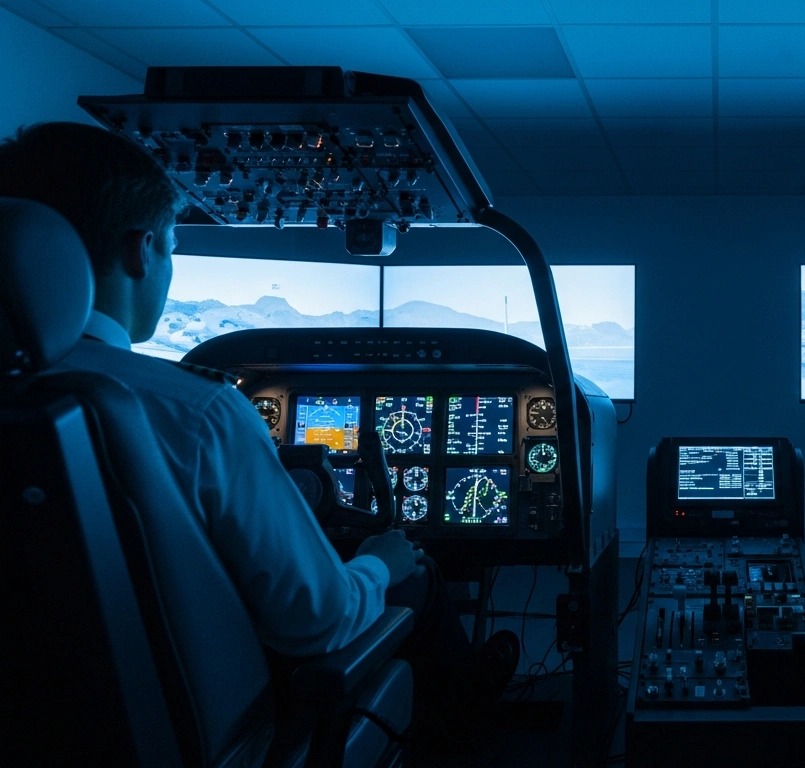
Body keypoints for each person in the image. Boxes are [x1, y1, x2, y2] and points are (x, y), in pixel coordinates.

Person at [0, 122, 516, 721]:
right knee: (415, 576)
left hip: (48, 718)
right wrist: (380, 560)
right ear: (141, 252)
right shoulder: (198, 412)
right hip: (212, 714)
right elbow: (318, 619)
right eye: (172, 245)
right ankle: (469, 726)